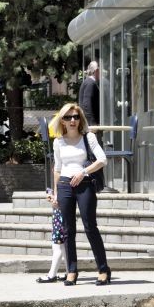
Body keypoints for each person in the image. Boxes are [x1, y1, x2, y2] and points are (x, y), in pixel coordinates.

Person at [48, 103, 110, 287]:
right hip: (65, 186)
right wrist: (56, 194)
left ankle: (103, 270)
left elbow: (102, 160)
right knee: (68, 230)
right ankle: (72, 271)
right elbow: (57, 169)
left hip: (85, 184)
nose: (72, 120)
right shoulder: (58, 142)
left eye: (75, 117)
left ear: (80, 119)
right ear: (62, 121)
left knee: (90, 227)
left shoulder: (88, 137)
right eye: (68, 117)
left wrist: (83, 172)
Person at [36, 190, 68, 283]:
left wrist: (55, 197)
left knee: (58, 245)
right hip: (60, 210)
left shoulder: (60, 180)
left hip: (60, 211)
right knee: (63, 246)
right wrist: (53, 195)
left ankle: (52, 275)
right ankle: (69, 271)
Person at [78, 61, 100, 126]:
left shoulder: (89, 82)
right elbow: (87, 104)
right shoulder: (90, 83)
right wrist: (92, 123)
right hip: (91, 123)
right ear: (96, 71)